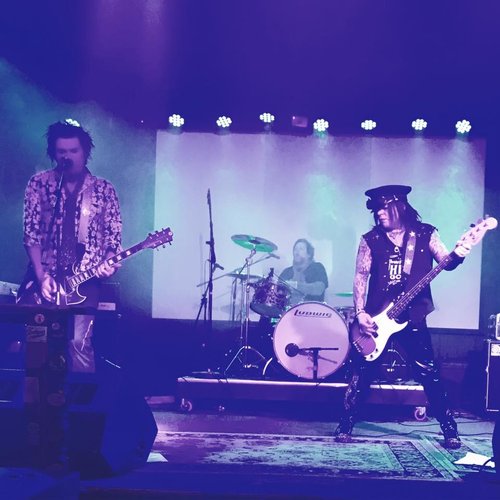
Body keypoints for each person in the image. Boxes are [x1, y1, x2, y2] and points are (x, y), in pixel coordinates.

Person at [334, 185, 471, 449]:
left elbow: (447, 261)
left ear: (400, 207)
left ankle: (449, 429)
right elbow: (361, 275)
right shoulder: (371, 239)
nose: (379, 214)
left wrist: (459, 254)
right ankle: (346, 423)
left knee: (428, 373)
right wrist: (360, 313)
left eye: (384, 208)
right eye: (376, 210)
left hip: (413, 317)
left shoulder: (426, 233)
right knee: (362, 373)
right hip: (376, 319)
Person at [21, 119, 122, 372]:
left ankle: (81, 395)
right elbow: (31, 234)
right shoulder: (39, 184)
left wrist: (109, 261)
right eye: (61, 152)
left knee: (79, 343)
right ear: (53, 153)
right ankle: (36, 395)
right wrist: (41, 276)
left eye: (73, 151)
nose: (67, 157)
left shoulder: (103, 190)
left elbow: (113, 236)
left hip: (85, 280)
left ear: (85, 152)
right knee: (36, 344)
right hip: (44, 279)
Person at [279, 238, 328, 306]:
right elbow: (278, 291)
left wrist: (295, 285)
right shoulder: (287, 272)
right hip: (288, 310)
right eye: (295, 249)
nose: (297, 252)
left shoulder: (317, 267)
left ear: (309, 254)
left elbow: (319, 289)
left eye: (301, 249)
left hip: (312, 310)